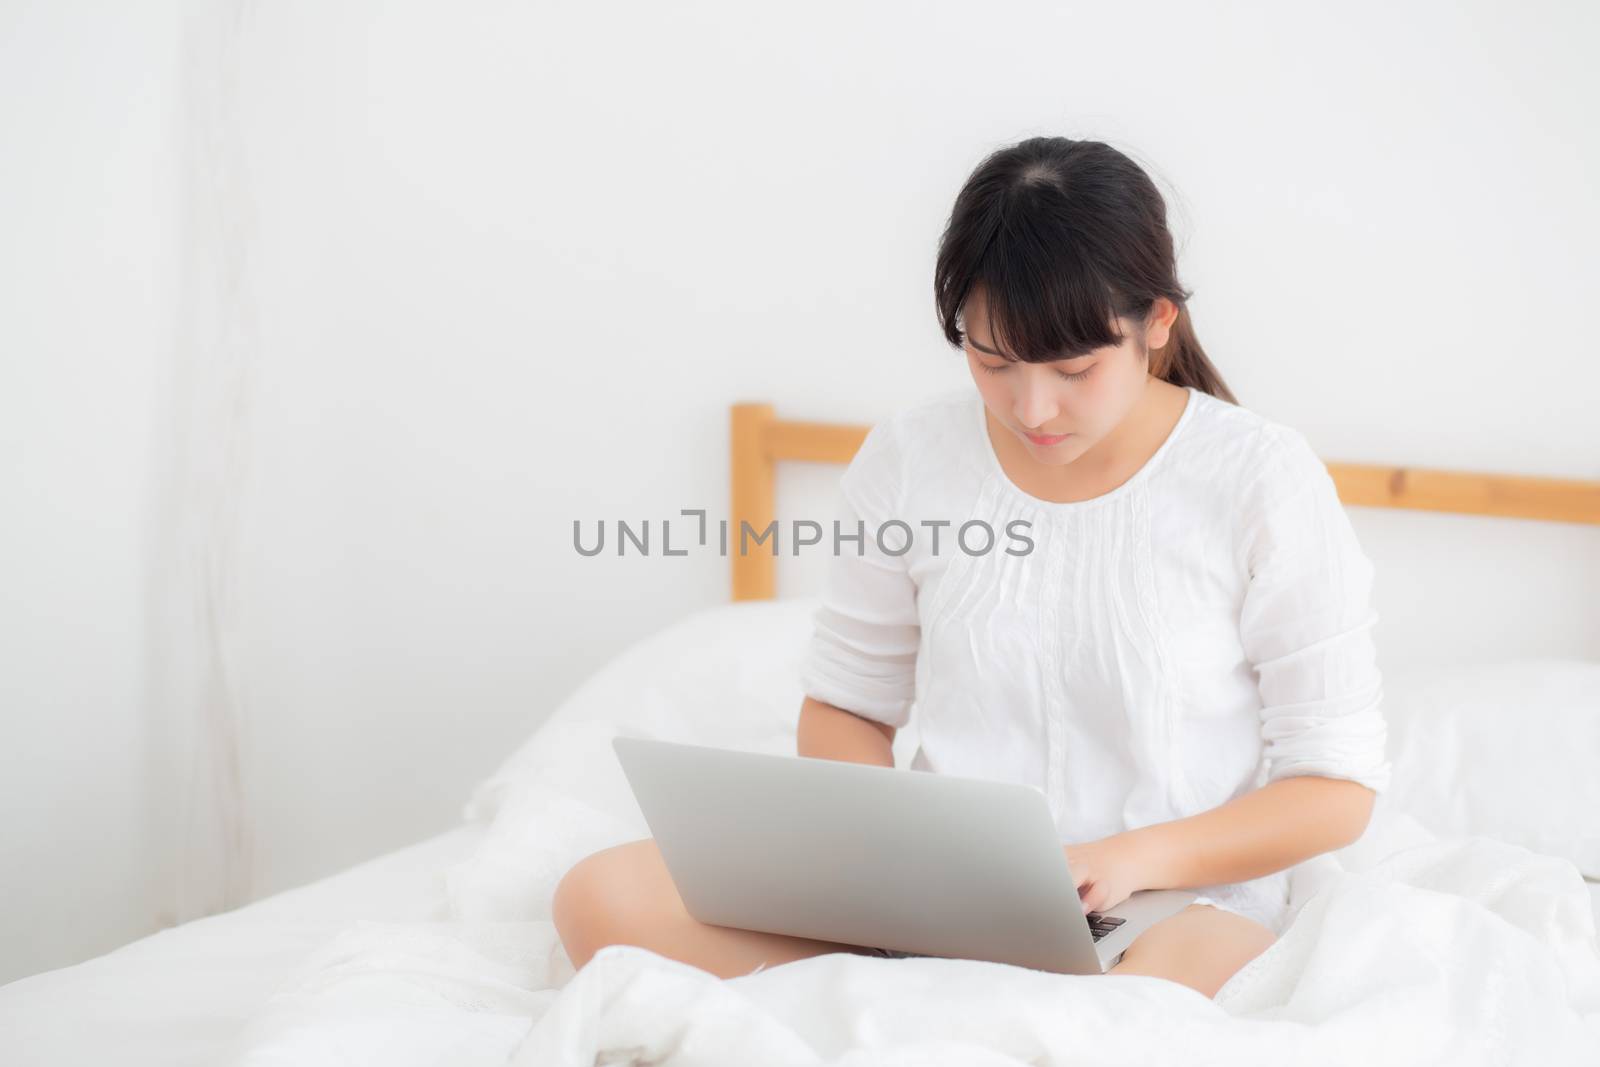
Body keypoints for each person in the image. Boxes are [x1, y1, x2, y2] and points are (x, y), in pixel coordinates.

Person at [552, 136, 1391, 1000]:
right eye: (992, 363)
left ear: (1158, 324)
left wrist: (1133, 858)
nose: (1032, 408)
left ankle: (921, 1010)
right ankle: (939, 999)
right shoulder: (912, 457)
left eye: (1074, 369)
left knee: (1139, 1019)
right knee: (601, 896)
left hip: (1173, 904)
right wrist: (882, 852)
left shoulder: (1261, 478)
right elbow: (847, 705)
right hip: (939, 902)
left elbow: (1335, 788)